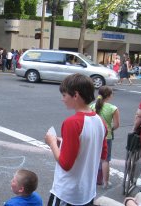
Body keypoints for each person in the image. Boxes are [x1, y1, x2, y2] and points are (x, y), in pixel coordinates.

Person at [45, 73, 107, 206]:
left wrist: (52, 143)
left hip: (67, 193)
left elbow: (66, 164)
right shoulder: (100, 121)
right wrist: (64, 143)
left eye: (64, 95)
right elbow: (102, 154)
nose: (63, 99)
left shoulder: (72, 123)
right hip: (87, 192)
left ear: (75, 95)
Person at [90, 86, 120, 189]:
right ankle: (105, 182)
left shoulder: (92, 106)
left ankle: (92, 179)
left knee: (94, 157)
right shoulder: (113, 108)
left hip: (94, 135)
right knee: (105, 159)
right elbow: (116, 124)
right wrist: (110, 128)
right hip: (107, 136)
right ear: (109, 95)